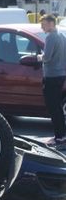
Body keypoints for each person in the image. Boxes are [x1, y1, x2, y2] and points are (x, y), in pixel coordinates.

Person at [38, 14, 66, 148]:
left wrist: (38, 57)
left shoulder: (50, 37)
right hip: (60, 75)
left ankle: (59, 138)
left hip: (51, 77)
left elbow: (47, 57)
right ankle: (61, 136)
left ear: (50, 23)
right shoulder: (61, 36)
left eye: (43, 24)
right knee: (58, 108)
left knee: (53, 107)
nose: (41, 26)